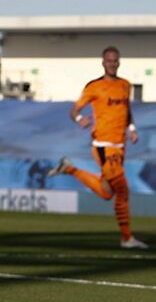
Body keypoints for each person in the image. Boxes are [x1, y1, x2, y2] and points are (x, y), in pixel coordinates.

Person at [47, 46, 147, 249]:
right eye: (109, 60)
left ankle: (69, 169)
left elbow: (126, 110)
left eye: (115, 60)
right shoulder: (94, 86)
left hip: (120, 146)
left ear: (119, 62)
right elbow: (74, 110)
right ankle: (127, 238)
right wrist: (79, 119)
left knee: (106, 193)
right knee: (122, 190)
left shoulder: (125, 85)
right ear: (103, 63)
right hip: (103, 146)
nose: (112, 64)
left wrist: (132, 129)